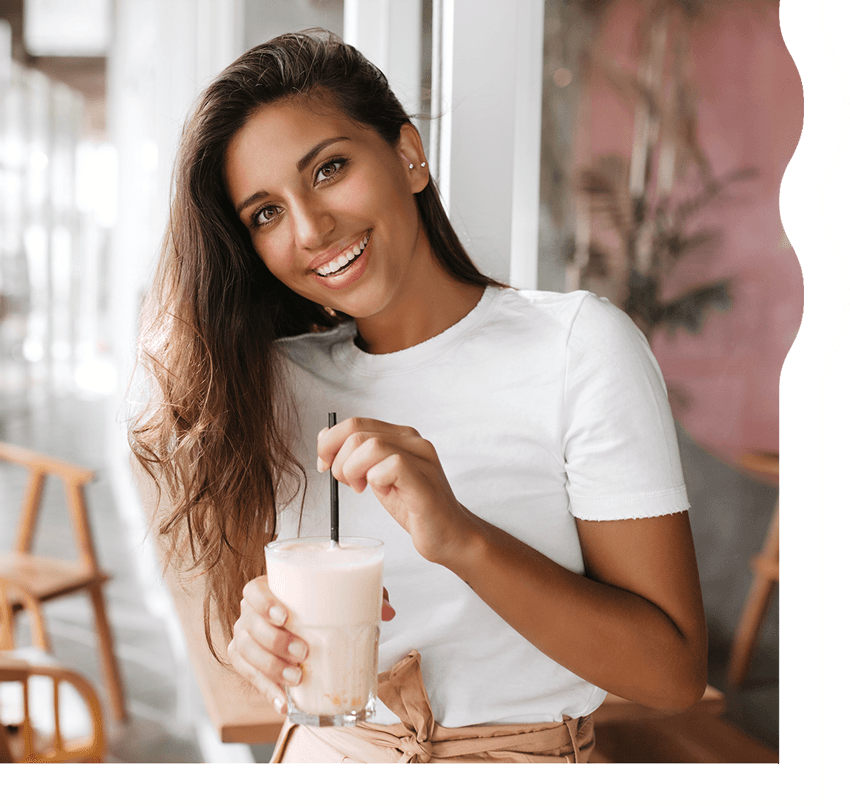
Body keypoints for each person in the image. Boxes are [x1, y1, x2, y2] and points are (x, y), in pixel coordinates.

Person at [130, 28, 707, 764]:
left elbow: (673, 675)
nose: (310, 229)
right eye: (265, 214)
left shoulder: (578, 349)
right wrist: (258, 632)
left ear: (408, 155)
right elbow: (274, 636)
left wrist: (460, 537)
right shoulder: (271, 382)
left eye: (329, 169)